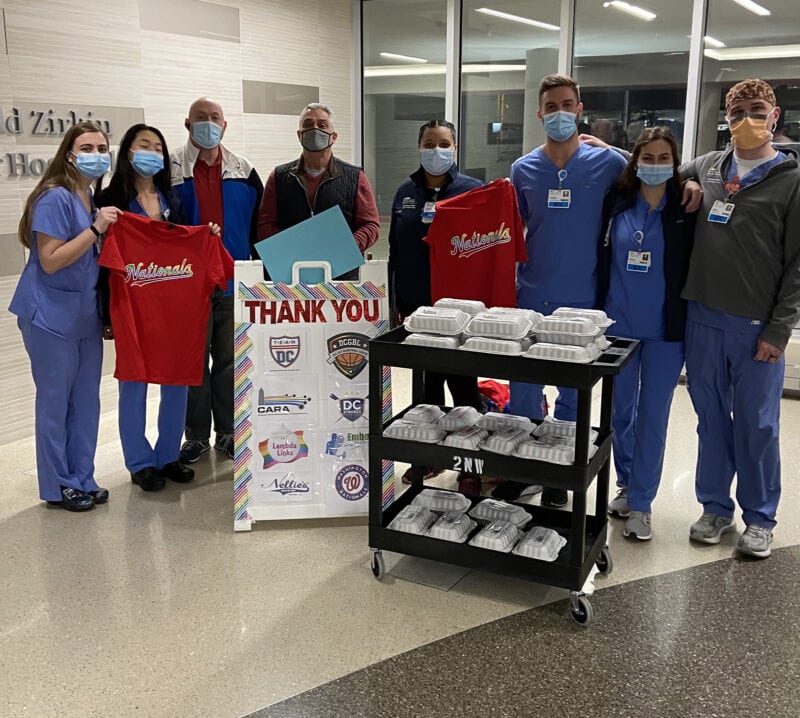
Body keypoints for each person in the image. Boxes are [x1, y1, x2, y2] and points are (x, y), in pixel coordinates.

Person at [680, 79, 800, 558]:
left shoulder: (791, 181)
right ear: (725, 120)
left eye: (757, 110)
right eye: (737, 112)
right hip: (703, 318)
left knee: (757, 424)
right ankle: (714, 507)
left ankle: (760, 517)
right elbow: (659, 167)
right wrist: (685, 181)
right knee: (710, 421)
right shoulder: (709, 167)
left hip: (755, 328)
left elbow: (798, 265)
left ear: (775, 117)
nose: (746, 120)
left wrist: (779, 329)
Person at [508, 74, 627, 507]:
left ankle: (558, 472)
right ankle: (523, 469)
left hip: (584, 300)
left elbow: (656, 169)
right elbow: (509, 232)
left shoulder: (607, 163)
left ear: (580, 110)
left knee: (573, 395)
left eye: (567, 104)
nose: (560, 113)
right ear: (540, 114)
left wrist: (612, 147)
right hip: (531, 295)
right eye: (551, 106)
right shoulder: (523, 169)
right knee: (523, 388)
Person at [9, 121, 121, 511]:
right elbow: (50, 260)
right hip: (48, 315)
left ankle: (82, 476)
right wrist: (95, 229)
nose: (96, 154)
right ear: (69, 153)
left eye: (102, 147)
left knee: (87, 401)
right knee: (56, 402)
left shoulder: (89, 196)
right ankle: (59, 485)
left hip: (82, 314)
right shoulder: (55, 198)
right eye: (86, 147)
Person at [97, 123, 208, 491]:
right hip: (130, 304)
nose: (152, 152)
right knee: (135, 381)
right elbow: (100, 263)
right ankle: (140, 461)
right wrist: (104, 314)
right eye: (144, 145)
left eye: (158, 148)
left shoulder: (170, 199)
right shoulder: (109, 200)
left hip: (171, 306)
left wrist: (207, 237)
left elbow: (183, 244)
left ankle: (167, 455)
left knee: (175, 380)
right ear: (128, 151)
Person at [597, 127, 695, 540]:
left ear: (674, 164)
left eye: (663, 158)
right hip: (619, 326)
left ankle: (642, 504)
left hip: (664, 333)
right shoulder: (617, 203)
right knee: (620, 414)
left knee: (653, 417)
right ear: (634, 162)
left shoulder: (686, 208)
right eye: (647, 158)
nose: (655, 165)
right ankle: (627, 484)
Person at [387, 119, 484, 494]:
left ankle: (469, 463)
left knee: (464, 389)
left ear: (455, 149)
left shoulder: (472, 191)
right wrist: (396, 301)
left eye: (444, 143)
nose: (436, 150)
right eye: (429, 143)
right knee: (425, 391)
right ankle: (426, 458)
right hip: (417, 310)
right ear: (419, 148)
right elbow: (396, 251)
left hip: (459, 313)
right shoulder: (404, 193)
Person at [171, 97, 264, 463]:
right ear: (187, 123)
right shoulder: (171, 170)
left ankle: (228, 432)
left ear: (225, 125)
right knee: (193, 363)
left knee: (229, 362)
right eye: (200, 118)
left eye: (214, 118)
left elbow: (261, 226)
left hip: (233, 280)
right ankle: (195, 436)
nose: (207, 124)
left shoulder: (245, 169)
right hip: (187, 284)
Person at [257, 102, 380, 278]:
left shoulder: (355, 177)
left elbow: (370, 225)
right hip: (290, 277)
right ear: (299, 135)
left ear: (333, 136)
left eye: (322, 125)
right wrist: (292, 247)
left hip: (341, 278)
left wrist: (345, 247)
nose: (314, 129)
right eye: (308, 125)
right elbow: (265, 226)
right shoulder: (278, 177)